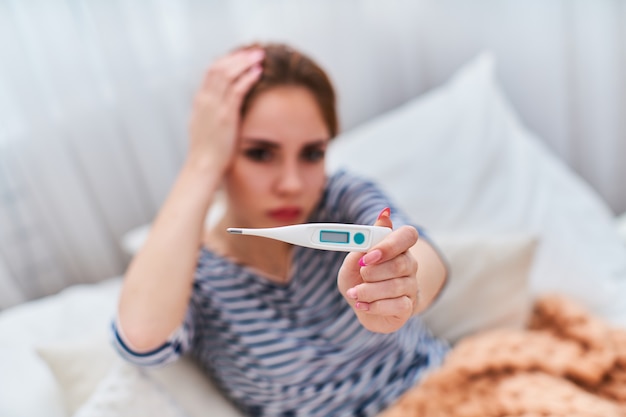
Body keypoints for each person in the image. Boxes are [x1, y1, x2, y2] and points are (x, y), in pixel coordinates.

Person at [113, 43, 449, 417]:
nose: (291, 183)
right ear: (221, 154)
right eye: (260, 153)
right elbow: (142, 338)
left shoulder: (341, 198)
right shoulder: (193, 276)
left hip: (448, 394)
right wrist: (200, 163)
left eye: (311, 154)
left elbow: (426, 258)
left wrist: (405, 289)